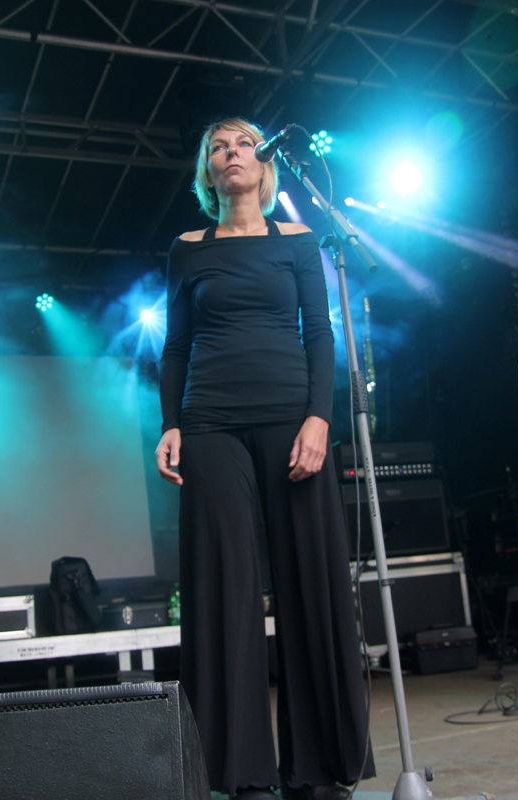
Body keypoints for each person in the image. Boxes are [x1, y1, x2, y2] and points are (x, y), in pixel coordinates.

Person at [156, 119, 373, 800]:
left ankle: (318, 769)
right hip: (210, 423)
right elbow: (176, 347)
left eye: (244, 144)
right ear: (207, 172)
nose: (232, 154)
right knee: (225, 587)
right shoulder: (187, 249)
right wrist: (171, 423)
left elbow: (320, 335)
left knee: (311, 579)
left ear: (266, 163)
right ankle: (241, 773)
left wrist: (320, 417)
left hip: (291, 416)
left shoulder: (300, 240)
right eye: (218, 148)